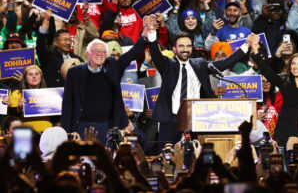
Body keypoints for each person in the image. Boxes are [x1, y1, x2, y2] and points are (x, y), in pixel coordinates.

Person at [148, 29, 254, 146]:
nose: (185, 49)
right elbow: (155, 55)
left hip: (196, 120)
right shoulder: (167, 64)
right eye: (181, 46)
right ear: (174, 49)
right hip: (170, 120)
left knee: (195, 157)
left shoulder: (200, 65)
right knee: (166, 155)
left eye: (188, 46)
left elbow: (226, 62)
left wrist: (247, 44)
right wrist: (152, 31)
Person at [61, 16, 155, 144]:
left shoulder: (113, 68)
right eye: (96, 51)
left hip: (108, 126)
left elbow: (131, 54)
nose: (100, 54)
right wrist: (67, 131)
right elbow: (67, 105)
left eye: (103, 51)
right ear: (88, 54)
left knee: (108, 160)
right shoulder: (74, 72)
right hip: (81, 125)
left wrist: (144, 36)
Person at [36, 9, 84, 88]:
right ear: (55, 42)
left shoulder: (77, 59)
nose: (68, 43)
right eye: (65, 40)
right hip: (53, 96)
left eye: (70, 40)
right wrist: (46, 21)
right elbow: (40, 45)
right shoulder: (48, 57)